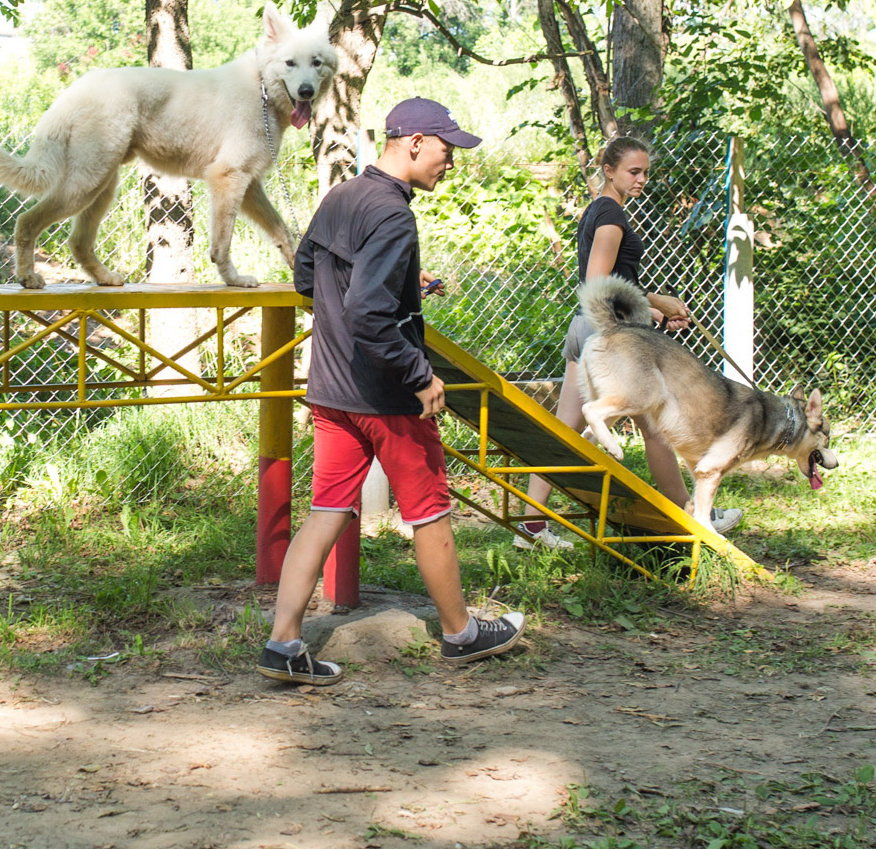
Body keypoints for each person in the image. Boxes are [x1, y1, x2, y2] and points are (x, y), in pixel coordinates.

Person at [259, 97, 526, 685]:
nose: (450, 161)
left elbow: (310, 276)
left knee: (326, 510)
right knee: (430, 512)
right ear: (413, 143)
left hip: (331, 388)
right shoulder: (392, 214)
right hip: (385, 396)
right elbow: (370, 312)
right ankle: (461, 635)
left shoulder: (343, 196)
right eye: (445, 148)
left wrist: (407, 279)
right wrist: (418, 373)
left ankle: (283, 644)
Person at [514, 134, 743, 547]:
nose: (641, 179)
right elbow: (598, 282)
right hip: (609, 336)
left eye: (645, 173)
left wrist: (653, 306)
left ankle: (530, 528)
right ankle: (692, 515)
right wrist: (653, 306)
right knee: (656, 427)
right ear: (609, 170)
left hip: (587, 328)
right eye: (633, 172)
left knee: (565, 430)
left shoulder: (599, 210)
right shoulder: (611, 215)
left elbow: (611, 282)